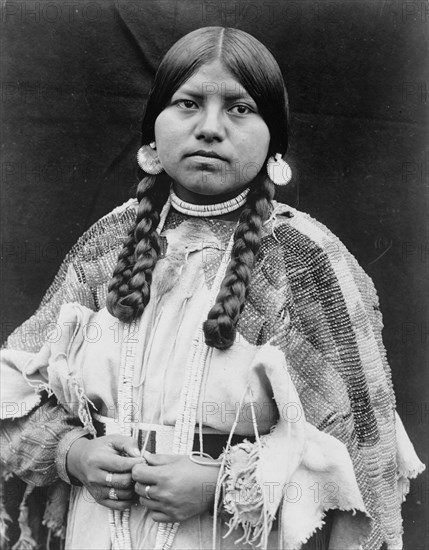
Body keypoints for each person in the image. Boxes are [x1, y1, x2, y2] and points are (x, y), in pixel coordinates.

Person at [0, 26, 424, 550]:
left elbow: (367, 454)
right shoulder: (110, 243)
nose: (209, 127)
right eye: (187, 103)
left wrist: (222, 486)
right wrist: (74, 455)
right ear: (153, 133)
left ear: (275, 140)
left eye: (240, 108)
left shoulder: (304, 259)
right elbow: (12, 390)